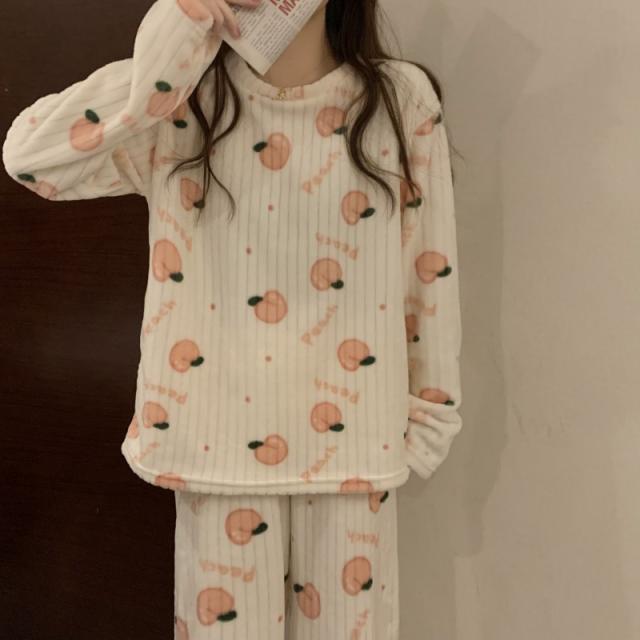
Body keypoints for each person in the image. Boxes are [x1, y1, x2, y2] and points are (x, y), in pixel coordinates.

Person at [2, 0, 463, 637]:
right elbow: (32, 157)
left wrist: (431, 412)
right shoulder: (182, 102)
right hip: (215, 443)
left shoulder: (398, 101)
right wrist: (173, 39)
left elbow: (428, 272)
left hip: (352, 446)